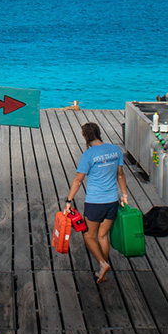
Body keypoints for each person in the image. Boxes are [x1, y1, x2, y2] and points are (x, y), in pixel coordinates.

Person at [64, 122, 128, 284]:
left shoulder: (89, 155)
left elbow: (78, 180)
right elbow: (120, 174)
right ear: (99, 133)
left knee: (89, 236)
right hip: (112, 200)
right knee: (102, 235)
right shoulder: (115, 150)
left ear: (85, 137)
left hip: (95, 202)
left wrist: (69, 200)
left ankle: (102, 263)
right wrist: (124, 194)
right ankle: (103, 271)